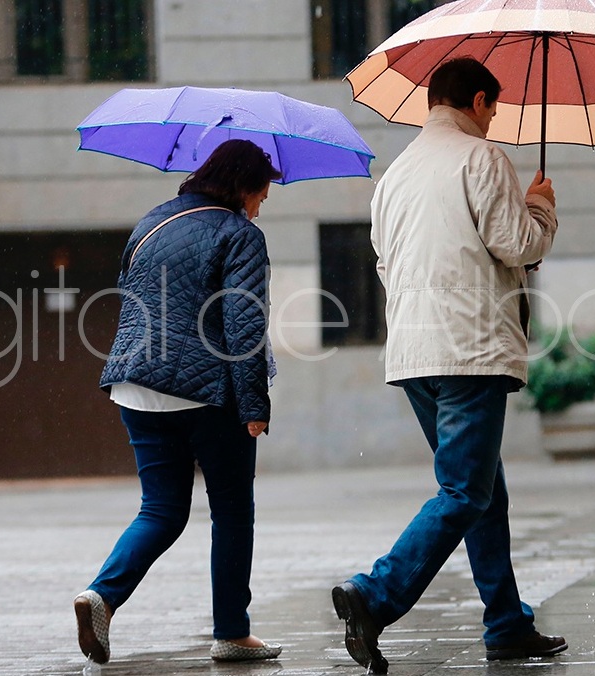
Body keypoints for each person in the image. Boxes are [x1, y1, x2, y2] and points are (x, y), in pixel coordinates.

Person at [331, 57, 564, 673]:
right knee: (464, 490)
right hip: (471, 348)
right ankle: (374, 595)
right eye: (494, 108)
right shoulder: (481, 159)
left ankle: (507, 624)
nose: (495, 120)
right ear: (480, 100)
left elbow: (387, 262)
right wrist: (539, 206)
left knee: (485, 491)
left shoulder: (396, 173)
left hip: (414, 352)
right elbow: (517, 245)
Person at [74, 139, 282, 665]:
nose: (262, 204)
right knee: (233, 511)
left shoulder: (152, 222)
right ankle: (232, 631)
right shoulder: (240, 234)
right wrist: (254, 404)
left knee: (162, 509)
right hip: (207, 391)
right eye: (262, 192)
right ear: (242, 187)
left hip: (137, 383)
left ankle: (101, 596)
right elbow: (243, 320)